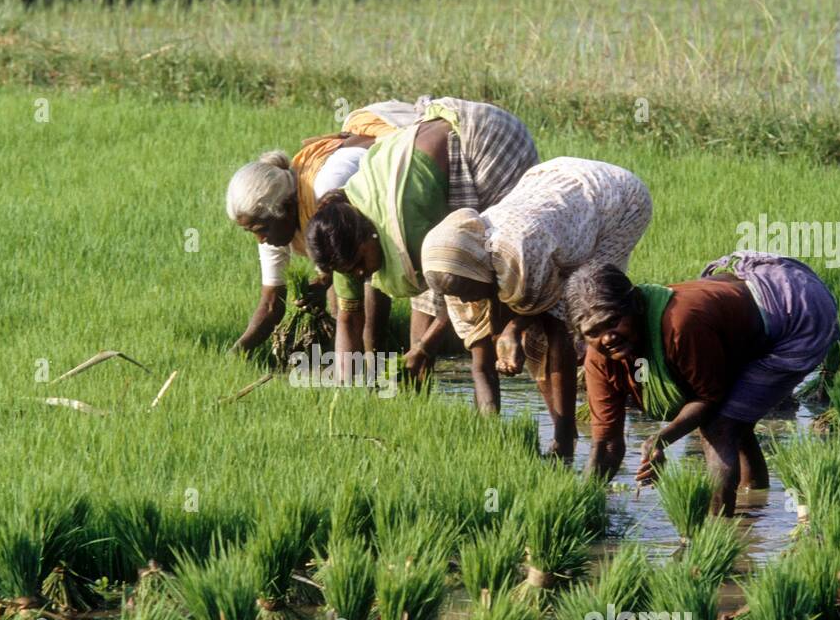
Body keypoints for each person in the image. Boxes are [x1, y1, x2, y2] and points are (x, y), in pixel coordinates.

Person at [567, 253, 840, 514]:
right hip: (736, 319)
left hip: (795, 309)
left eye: (613, 322)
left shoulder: (680, 325)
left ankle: (718, 530)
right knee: (735, 422)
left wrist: (662, 438)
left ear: (636, 304)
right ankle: (753, 508)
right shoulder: (600, 361)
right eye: (593, 332)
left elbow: (710, 398)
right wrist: (581, 505)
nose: (607, 338)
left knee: (721, 426)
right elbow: (606, 445)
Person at [419, 157, 652, 458]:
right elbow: (480, 363)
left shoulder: (519, 250)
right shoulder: (455, 270)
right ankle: (565, 426)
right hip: (554, 196)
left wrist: (514, 330)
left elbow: (557, 333)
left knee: (590, 309)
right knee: (531, 337)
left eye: (466, 291)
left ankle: (588, 424)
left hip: (615, 200)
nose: (464, 300)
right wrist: (491, 430)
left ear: (480, 271)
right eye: (457, 295)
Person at [305, 97, 538, 384]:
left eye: (359, 264)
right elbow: (348, 318)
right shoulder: (343, 235)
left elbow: (457, 281)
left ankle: (509, 357)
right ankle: (422, 384)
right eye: (352, 271)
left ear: (369, 235)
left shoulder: (406, 220)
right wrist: (346, 389)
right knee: (428, 294)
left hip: (490, 142)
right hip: (431, 164)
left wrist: (424, 347)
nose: (360, 275)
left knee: (491, 265)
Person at [225, 101, 423, 353]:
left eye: (261, 229)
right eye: (251, 231)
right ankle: (349, 359)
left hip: (403, 174)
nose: (260, 239)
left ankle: (376, 354)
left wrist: (371, 349)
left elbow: (371, 263)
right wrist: (236, 352)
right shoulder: (272, 225)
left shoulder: (327, 192)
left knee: (362, 272)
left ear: (286, 207)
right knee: (340, 276)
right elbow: (272, 303)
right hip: (355, 217)